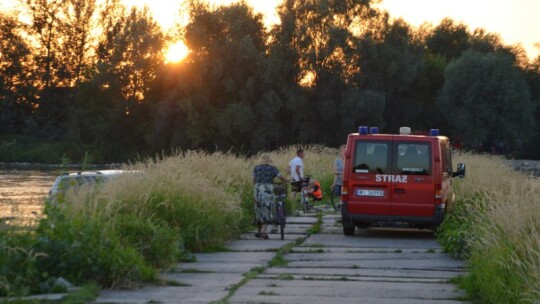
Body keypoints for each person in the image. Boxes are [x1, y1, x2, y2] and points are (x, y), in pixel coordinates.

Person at [253, 153, 288, 240]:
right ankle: (263, 232)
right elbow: (281, 178)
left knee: (259, 209)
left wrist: (258, 186)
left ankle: (258, 231)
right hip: (268, 190)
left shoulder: (256, 168)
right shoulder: (273, 168)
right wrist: (288, 180)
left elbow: (253, 180)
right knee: (267, 210)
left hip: (257, 189)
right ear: (269, 160)